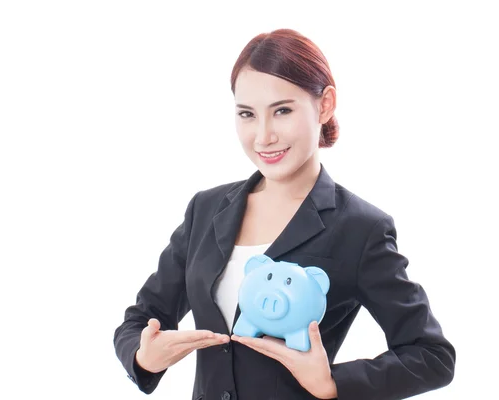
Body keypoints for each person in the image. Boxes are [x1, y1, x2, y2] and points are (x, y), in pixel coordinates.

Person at [113, 28, 456, 400]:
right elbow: (139, 319)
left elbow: (432, 356)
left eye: (282, 111)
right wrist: (144, 356)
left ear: (324, 105)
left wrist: (332, 382)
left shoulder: (361, 228)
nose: (263, 136)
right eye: (247, 114)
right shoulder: (205, 209)